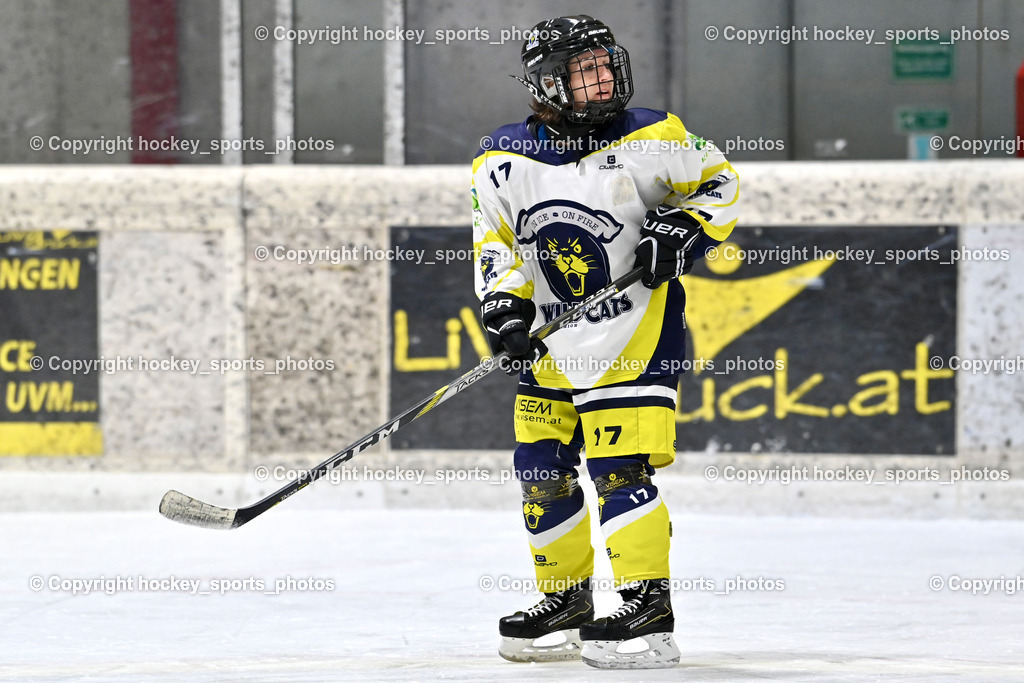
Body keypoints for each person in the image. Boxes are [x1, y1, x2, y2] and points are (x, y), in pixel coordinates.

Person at [471, 14, 739, 670]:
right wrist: (506, 310)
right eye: (583, 72)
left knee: (620, 469)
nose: (602, 81)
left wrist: (684, 226)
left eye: (605, 66)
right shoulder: (499, 161)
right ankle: (564, 598)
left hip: (635, 335)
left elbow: (721, 184)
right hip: (551, 345)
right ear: (546, 84)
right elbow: (497, 244)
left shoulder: (655, 135)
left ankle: (646, 605)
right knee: (541, 472)